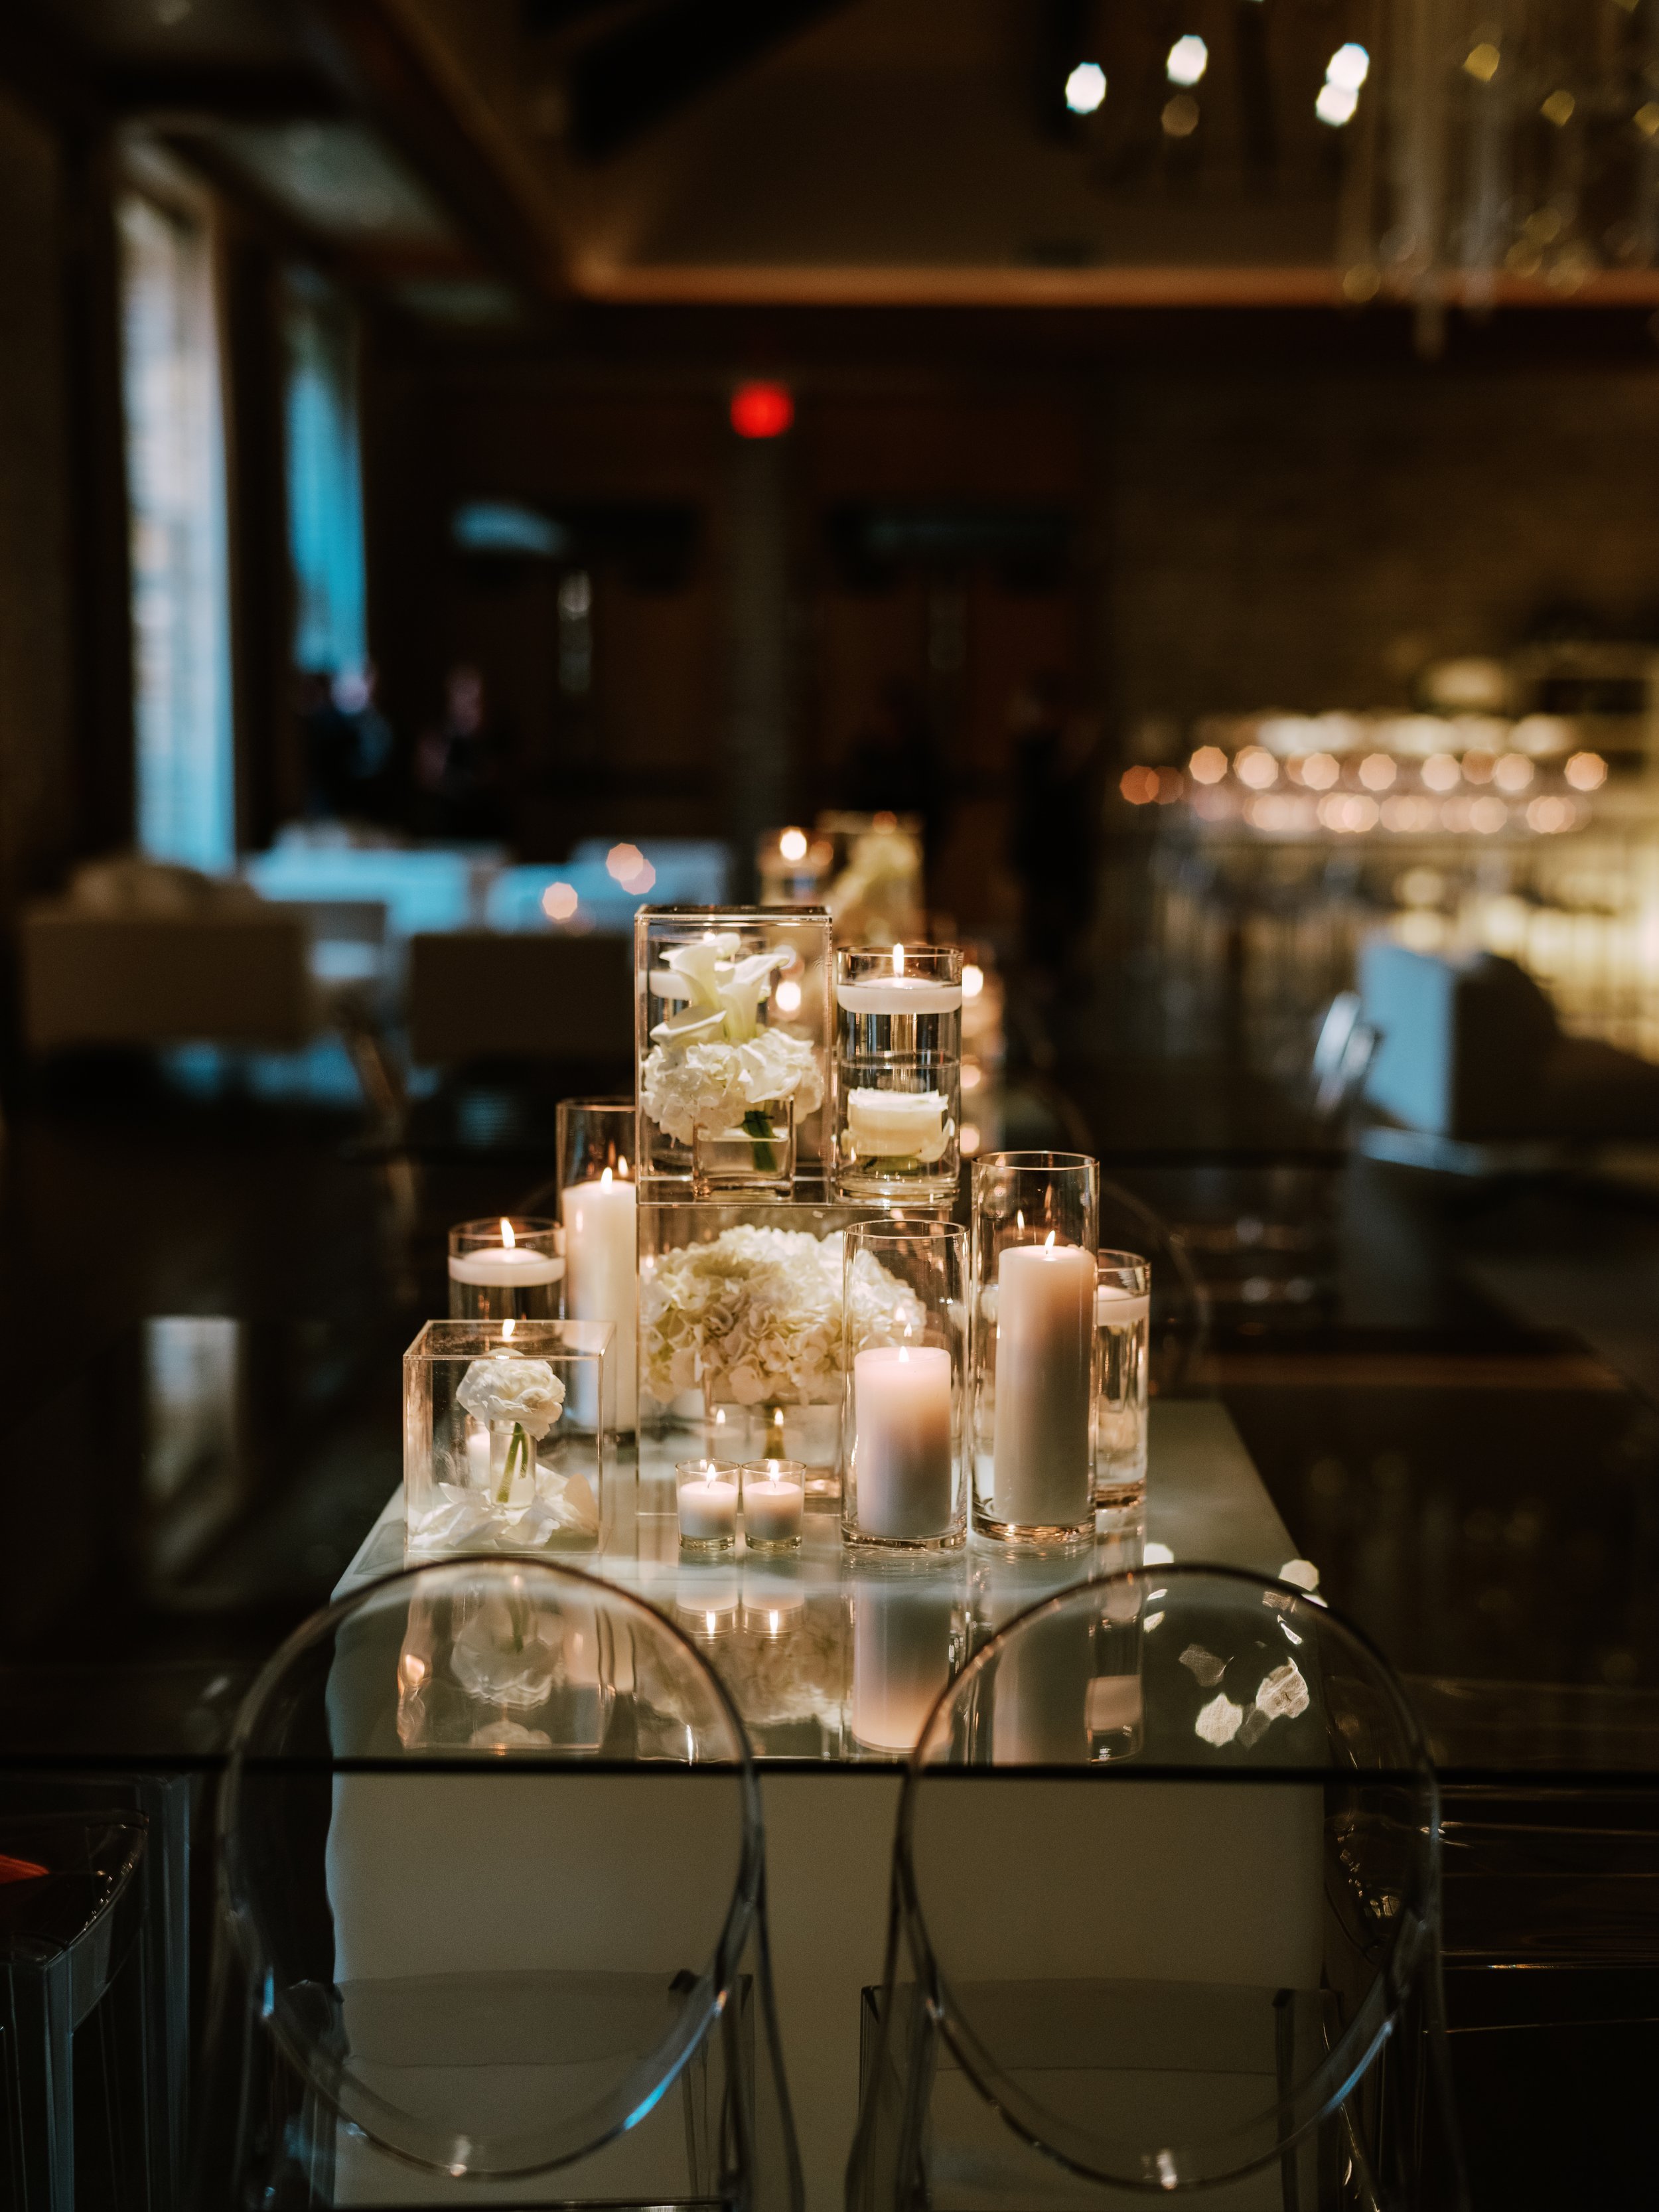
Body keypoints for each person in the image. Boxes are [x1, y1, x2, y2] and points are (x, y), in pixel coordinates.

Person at [1006, 676, 1100, 990]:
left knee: (1069, 917)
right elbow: (1042, 789)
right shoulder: (1032, 747)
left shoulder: (1060, 744)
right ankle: (1041, 978)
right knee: (1040, 919)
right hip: (1041, 847)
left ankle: (1060, 976)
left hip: (1069, 848)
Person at [412, 664, 508, 842]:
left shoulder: (497, 740)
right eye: (465, 697)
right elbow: (429, 780)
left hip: (487, 836)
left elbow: (496, 783)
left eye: (477, 700)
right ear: (451, 698)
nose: (471, 707)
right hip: (443, 836)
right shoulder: (435, 739)